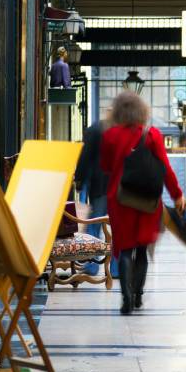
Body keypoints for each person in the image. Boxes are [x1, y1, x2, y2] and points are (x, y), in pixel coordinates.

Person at [101, 91, 185, 314]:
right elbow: (165, 168)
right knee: (142, 248)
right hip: (147, 200)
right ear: (142, 111)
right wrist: (177, 194)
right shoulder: (152, 134)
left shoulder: (110, 136)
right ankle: (138, 295)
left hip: (120, 199)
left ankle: (125, 297)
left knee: (125, 249)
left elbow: (106, 167)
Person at [74, 111, 117, 277]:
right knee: (118, 229)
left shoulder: (94, 130)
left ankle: (92, 266)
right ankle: (116, 269)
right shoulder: (121, 131)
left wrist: (79, 180)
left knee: (94, 226)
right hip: (118, 188)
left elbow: (85, 158)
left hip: (99, 187)